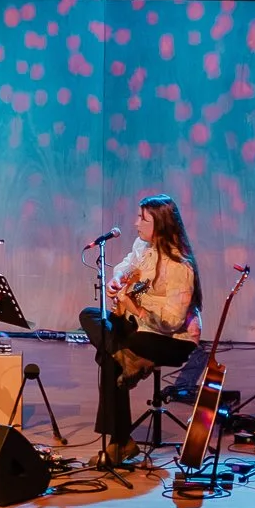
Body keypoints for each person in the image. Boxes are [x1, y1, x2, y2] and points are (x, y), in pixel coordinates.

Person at [79, 193, 203, 467]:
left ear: (159, 225)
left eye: (142, 219)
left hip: (173, 339)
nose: (136, 224)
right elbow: (126, 266)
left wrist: (135, 307)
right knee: (89, 316)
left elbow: (172, 320)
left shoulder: (180, 266)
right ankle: (124, 359)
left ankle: (119, 443)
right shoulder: (142, 246)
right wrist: (117, 280)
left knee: (111, 359)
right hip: (142, 327)